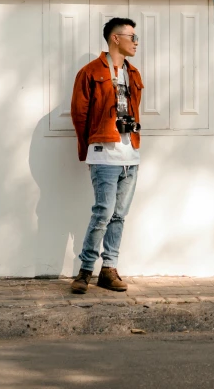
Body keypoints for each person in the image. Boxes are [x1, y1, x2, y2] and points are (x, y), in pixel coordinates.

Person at [69, 17, 143, 294]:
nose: (136, 42)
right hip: (104, 155)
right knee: (103, 212)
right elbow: (80, 115)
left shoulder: (133, 73)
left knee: (119, 216)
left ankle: (109, 269)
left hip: (130, 155)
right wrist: (90, 146)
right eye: (131, 37)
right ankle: (86, 270)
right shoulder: (89, 72)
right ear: (115, 38)